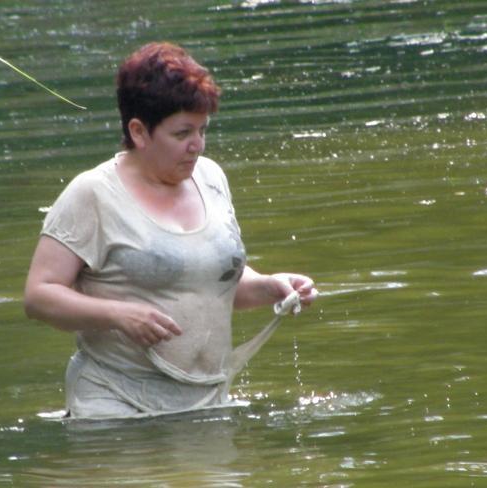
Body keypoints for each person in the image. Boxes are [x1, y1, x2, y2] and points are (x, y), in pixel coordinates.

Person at [24, 42, 317, 420]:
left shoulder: (211, 178)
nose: (197, 146)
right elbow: (39, 296)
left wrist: (269, 286)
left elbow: (206, 280)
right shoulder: (92, 194)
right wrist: (118, 314)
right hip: (114, 403)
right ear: (139, 132)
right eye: (182, 134)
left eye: (202, 130)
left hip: (207, 399)